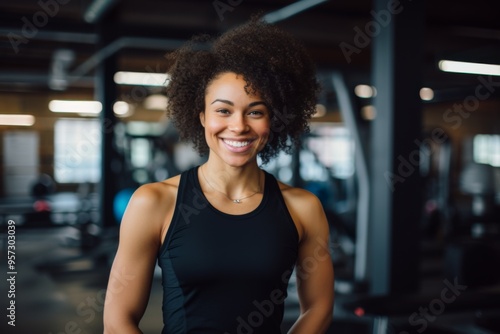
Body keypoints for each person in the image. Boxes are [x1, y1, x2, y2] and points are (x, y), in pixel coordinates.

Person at [103, 18, 334, 334]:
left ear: (273, 120)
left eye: (255, 111)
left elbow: (319, 307)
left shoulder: (303, 208)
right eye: (223, 111)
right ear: (201, 117)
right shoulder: (153, 202)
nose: (238, 126)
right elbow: (117, 321)